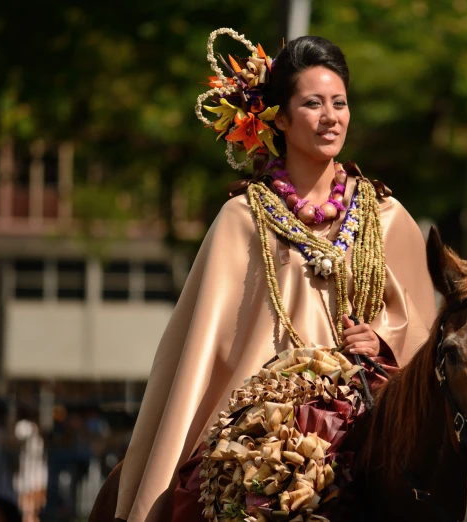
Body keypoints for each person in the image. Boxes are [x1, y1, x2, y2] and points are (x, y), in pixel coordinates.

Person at [113, 32, 437, 522]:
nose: (331, 117)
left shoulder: (387, 216)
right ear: (279, 118)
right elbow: (210, 348)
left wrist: (384, 338)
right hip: (266, 433)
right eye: (312, 103)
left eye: (340, 103)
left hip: (369, 418)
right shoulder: (243, 218)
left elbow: (426, 333)